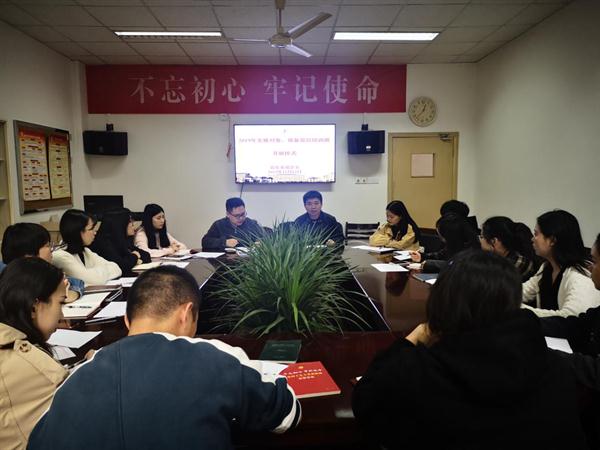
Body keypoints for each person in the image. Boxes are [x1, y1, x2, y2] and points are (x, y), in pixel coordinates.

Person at [28, 266, 301, 450]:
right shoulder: (214, 357)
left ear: (127, 320)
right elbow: (287, 413)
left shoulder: (76, 378)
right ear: (187, 313)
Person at [352, 250, 588, 450]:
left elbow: (365, 401)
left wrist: (413, 338)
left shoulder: (420, 371)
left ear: (443, 300)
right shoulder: (556, 368)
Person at [0, 258, 69, 449]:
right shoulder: (30, 365)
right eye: (60, 303)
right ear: (34, 307)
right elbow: (78, 409)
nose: (62, 316)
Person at [522, 210, 600, 317]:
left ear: (552, 240)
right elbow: (522, 291)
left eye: (536, 234)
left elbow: (571, 317)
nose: (532, 239)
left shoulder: (579, 275)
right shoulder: (547, 267)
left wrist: (520, 309)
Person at [0, 222, 84, 301]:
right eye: (47, 245)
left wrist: (72, 294)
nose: (52, 249)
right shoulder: (9, 280)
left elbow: (75, 282)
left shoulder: (34, 271)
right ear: (29, 255)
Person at [52, 209, 122, 285]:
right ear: (77, 232)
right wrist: (99, 271)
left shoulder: (85, 251)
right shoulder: (60, 256)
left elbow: (116, 268)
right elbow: (93, 280)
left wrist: (93, 273)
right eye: (91, 229)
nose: (95, 232)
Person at [409, 213, 480, 273]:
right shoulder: (454, 244)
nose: (441, 238)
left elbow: (458, 266)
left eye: (441, 235)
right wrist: (422, 256)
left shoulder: (472, 249)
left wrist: (429, 264)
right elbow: (441, 255)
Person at [90, 208, 151, 275]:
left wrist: (132, 259)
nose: (133, 225)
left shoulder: (123, 239)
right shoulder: (103, 243)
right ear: (120, 223)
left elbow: (146, 256)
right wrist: (135, 256)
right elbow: (121, 265)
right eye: (130, 222)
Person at [480, 216, 539, 281]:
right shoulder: (505, 260)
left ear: (494, 241)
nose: (480, 240)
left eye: (482, 237)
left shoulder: (517, 264)